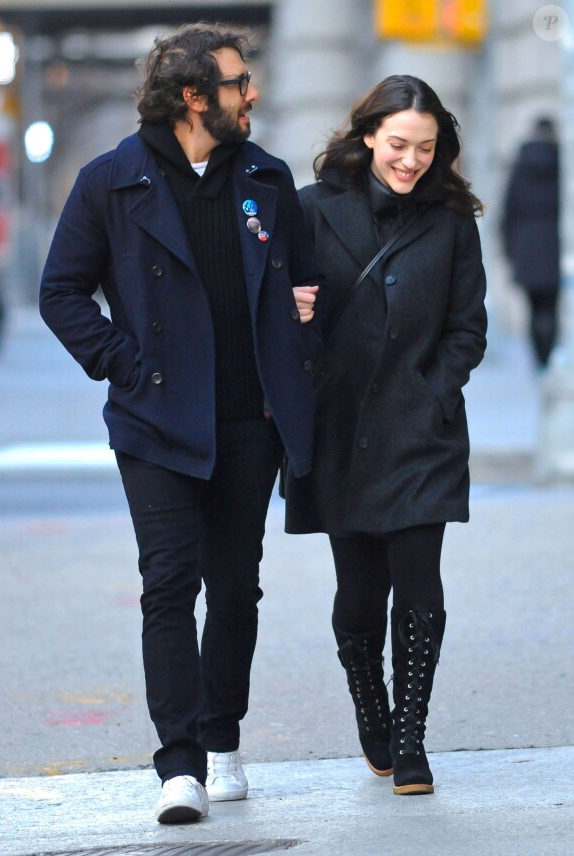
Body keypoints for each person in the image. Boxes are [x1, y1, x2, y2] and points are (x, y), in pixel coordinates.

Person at [39, 22, 322, 824]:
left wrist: (302, 314)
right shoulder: (110, 181)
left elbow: (303, 283)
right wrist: (124, 364)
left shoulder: (265, 177)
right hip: (156, 418)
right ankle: (180, 766)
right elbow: (61, 292)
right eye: (238, 82)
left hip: (247, 419)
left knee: (235, 587)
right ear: (195, 96)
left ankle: (222, 736)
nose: (251, 93)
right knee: (168, 583)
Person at [284, 75, 487, 796]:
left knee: (420, 583)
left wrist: (434, 391)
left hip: (421, 430)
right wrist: (291, 309)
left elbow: (468, 328)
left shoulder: (452, 221)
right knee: (360, 592)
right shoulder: (311, 211)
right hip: (339, 427)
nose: (411, 161)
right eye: (399, 144)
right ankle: (372, 707)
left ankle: (410, 738)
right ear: (369, 135)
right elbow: (277, 313)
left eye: (425, 148)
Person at [501, 117, 560, 369]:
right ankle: (549, 356)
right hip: (555, 246)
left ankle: (540, 359)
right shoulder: (562, 163)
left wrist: (509, 251)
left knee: (533, 308)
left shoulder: (520, 165)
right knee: (552, 307)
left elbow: (509, 211)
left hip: (526, 248)